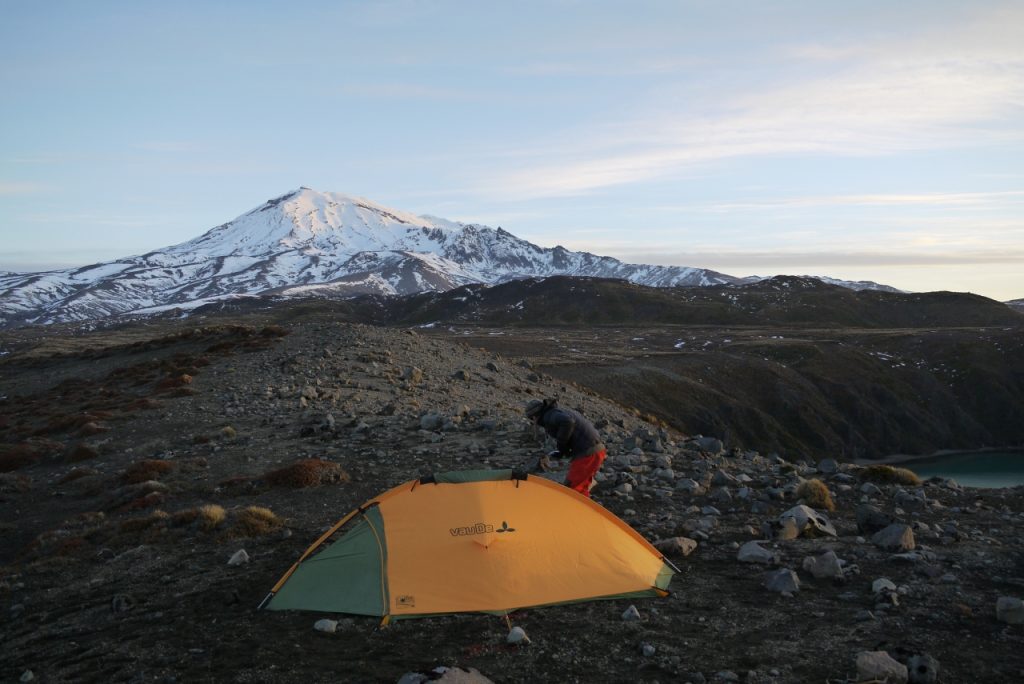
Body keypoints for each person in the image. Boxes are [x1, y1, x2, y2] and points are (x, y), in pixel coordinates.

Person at [525, 398, 606, 498]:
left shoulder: (549, 415)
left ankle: (571, 511)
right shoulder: (555, 412)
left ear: (534, 416)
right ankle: (582, 510)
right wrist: (562, 451)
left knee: (571, 488)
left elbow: (567, 422)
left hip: (588, 453)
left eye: (531, 419)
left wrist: (561, 445)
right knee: (581, 487)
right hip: (595, 450)